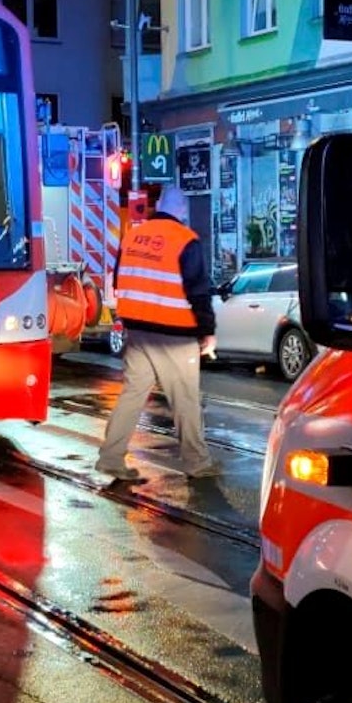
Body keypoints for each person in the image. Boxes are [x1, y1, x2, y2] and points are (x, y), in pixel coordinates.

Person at [98, 185, 218, 481]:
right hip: (175, 335)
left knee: (132, 395)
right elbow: (198, 291)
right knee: (185, 400)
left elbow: (118, 280)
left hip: (138, 332)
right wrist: (208, 331)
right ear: (182, 212)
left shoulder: (132, 237)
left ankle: (111, 458)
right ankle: (197, 463)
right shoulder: (185, 240)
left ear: (158, 206)